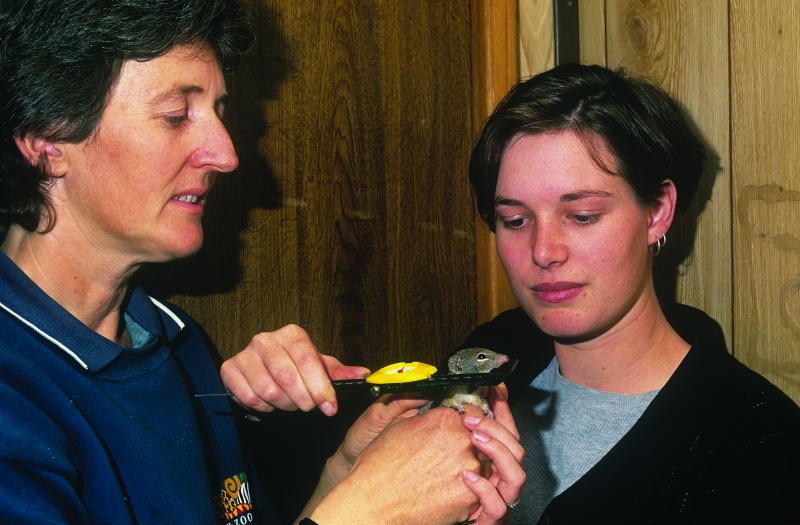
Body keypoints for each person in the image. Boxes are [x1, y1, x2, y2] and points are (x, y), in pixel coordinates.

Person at [0, 1, 524, 523]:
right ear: (46, 141)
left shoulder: (179, 344)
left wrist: (349, 475)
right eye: (176, 115)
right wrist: (370, 512)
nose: (226, 154)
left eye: (219, 112)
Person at [459, 63, 800, 523]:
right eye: (515, 221)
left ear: (657, 212)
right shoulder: (486, 357)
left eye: (581, 216)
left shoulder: (765, 448)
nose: (543, 252)